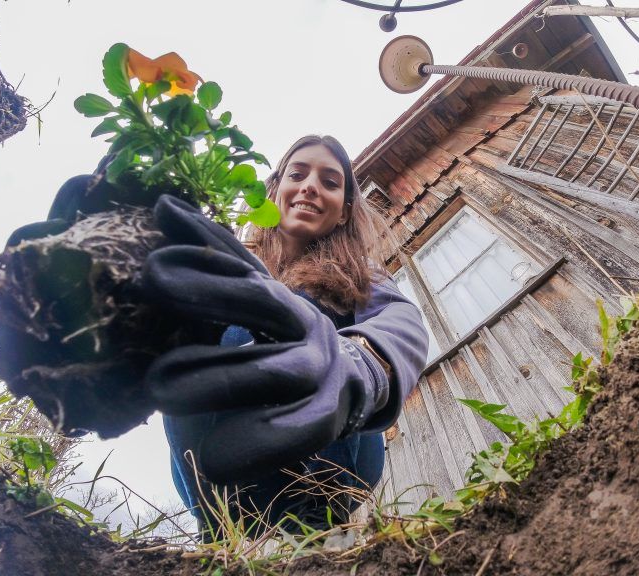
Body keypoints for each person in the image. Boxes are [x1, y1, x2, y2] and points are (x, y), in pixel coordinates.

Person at [141, 135, 429, 534]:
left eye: (330, 182)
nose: (311, 185)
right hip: (223, 471)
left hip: (331, 458)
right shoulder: (228, 269)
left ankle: (319, 521)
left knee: (301, 316)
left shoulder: (361, 275)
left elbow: (401, 321)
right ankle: (221, 525)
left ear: (344, 213)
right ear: (274, 190)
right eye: (298, 174)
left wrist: (361, 362)